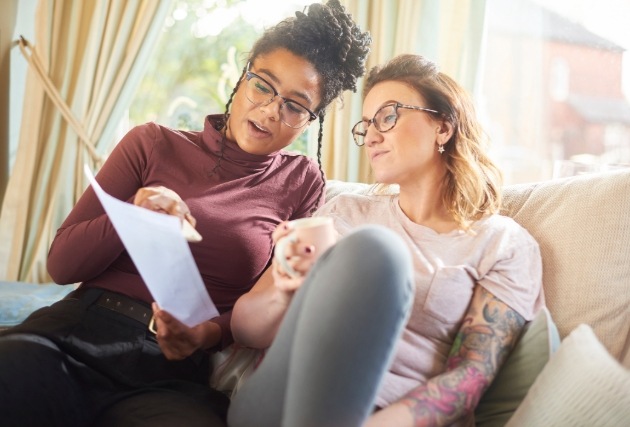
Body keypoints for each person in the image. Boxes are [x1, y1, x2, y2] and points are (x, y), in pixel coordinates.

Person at [0, 2, 371, 426]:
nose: (271, 110)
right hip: (77, 332)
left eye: (295, 106)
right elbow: (62, 265)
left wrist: (205, 335)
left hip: (172, 367)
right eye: (264, 86)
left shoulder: (302, 182)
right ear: (244, 75)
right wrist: (133, 215)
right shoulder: (151, 143)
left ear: (311, 120)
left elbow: (267, 299)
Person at [227, 54, 544, 427]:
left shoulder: (504, 245)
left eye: (387, 116)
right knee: (373, 249)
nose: (372, 136)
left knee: (378, 252)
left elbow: (469, 379)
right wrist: (286, 286)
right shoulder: (344, 212)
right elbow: (245, 331)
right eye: (366, 126)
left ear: (443, 127)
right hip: (281, 397)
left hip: (387, 416)